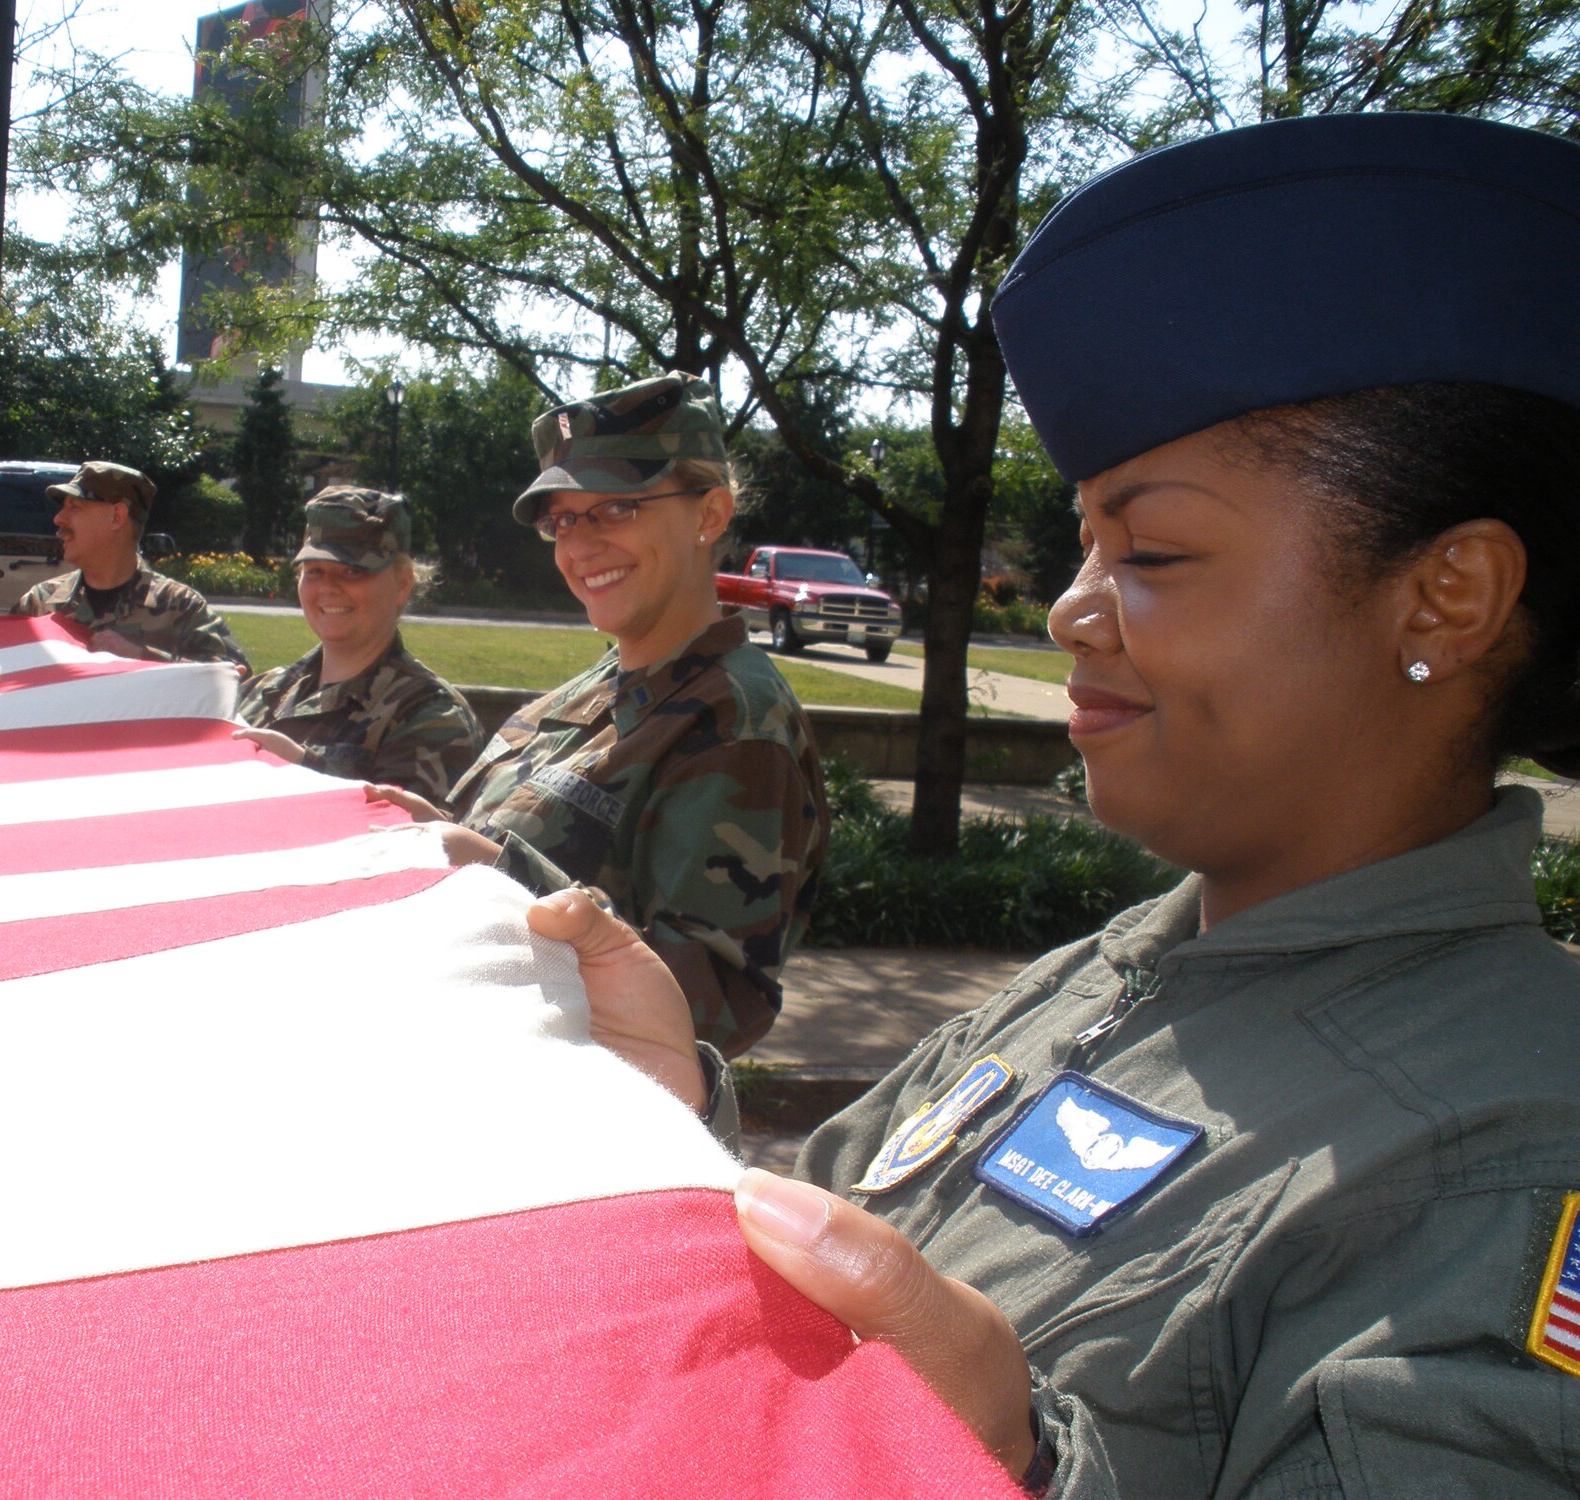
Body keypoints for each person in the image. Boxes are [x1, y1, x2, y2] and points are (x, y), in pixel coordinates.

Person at [534, 112, 1580, 1495]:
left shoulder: (1510, 1152)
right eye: (1086, 540)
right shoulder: (1113, 977)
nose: (1076, 610)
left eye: (1151, 550)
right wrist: (671, 1115)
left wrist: (1012, 1468)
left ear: (1445, 595)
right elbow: (837, 1241)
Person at [375, 372, 829, 1059]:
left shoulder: (736, 724)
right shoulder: (596, 688)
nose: (579, 545)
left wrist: (501, 872)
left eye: (618, 509)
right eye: (562, 519)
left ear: (708, 515)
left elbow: (710, 1010)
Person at [232, 487, 482, 804]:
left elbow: (410, 841)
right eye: (314, 571)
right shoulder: (261, 692)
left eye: (353, 571)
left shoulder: (433, 717)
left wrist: (300, 769)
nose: (328, 588)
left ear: (403, 583)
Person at [12, 460, 251, 676]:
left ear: (117, 516)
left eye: (75, 507)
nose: (59, 519)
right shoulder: (40, 605)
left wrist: (141, 659)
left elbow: (234, 677)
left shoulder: (180, 607)